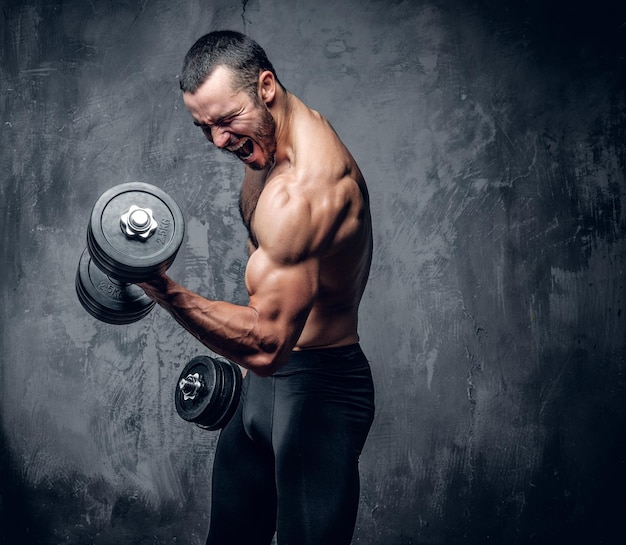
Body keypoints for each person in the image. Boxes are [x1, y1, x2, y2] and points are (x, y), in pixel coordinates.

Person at [139, 30, 375, 545]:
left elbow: (268, 346)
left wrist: (164, 290)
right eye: (205, 129)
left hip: (319, 393)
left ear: (265, 86)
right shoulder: (266, 146)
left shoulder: (309, 190)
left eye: (227, 121)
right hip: (261, 392)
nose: (220, 141)